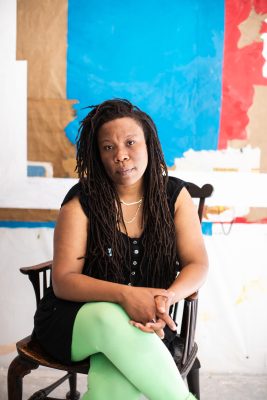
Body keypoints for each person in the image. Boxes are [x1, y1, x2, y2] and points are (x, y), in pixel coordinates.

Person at [34, 98, 208, 400]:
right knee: (108, 317)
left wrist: (166, 299)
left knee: (111, 390)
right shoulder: (81, 201)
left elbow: (197, 263)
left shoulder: (174, 196)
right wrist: (126, 295)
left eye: (130, 143)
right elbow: (63, 280)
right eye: (108, 147)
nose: (121, 156)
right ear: (97, 155)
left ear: (149, 144)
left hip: (146, 322)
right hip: (75, 320)